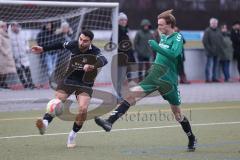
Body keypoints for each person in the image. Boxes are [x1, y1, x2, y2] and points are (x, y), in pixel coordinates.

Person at [95, 10, 197, 152]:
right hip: (154, 76)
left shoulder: (177, 37)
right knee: (131, 95)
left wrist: (155, 47)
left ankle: (191, 137)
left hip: (168, 81)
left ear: (170, 24)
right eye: (158, 24)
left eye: (161, 24)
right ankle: (109, 122)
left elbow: (174, 55)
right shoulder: (163, 37)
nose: (158, 27)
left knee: (178, 115)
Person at [31, 30, 108, 148]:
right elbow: (59, 44)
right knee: (57, 101)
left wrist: (93, 66)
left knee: (83, 109)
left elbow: (104, 60)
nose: (81, 42)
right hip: (69, 79)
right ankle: (44, 124)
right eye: (81, 39)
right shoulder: (73, 44)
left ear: (90, 42)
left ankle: (72, 136)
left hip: (85, 83)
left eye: (85, 41)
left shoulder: (95, 51)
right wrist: (43, 49)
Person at [114, 12, 136, 101]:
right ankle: (118, 96)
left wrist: (132, 58)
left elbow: (130, 46)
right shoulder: (116, 31)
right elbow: (113, 44)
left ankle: (125, 94)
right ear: (118, 21)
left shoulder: (127, 31)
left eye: (125, 20)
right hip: (120, 59)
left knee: (129, 79)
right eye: (121, 20)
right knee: (120, 79)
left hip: (128, 58)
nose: (123, 21)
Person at [8, 22, 36, 89]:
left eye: (16, 26)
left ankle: (31, 84)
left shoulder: (23, 33)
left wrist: (27, 49)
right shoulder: (9, 35)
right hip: (15, 58)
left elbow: (28, 43)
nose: (15, 27)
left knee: (27, 71)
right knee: (20, 73)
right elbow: (9, 47)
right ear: (11, 27)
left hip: (24, 57)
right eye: (13, 26)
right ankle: (25, 85)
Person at [202, 18, 224, 83]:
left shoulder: (219, 31)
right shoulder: (207, 31)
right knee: (208, 65)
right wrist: (210, 49)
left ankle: (214, 78)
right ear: (210, 24)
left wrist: (220, 48)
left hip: (217, 52)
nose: (214, 24)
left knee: (215, 65)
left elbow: (221, 40)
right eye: (213, 23)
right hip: (209, 52)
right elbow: (205, 41)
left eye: (215, 23)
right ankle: (207, 78)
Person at [0, 21, 16, 89]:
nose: (6, 27)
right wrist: (5, 53)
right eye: (4, 26)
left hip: (7, 56)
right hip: (2, 56)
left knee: (6, 71)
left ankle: (3, 84)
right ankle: (2, 84)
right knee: (2, 71)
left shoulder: (6, 34)